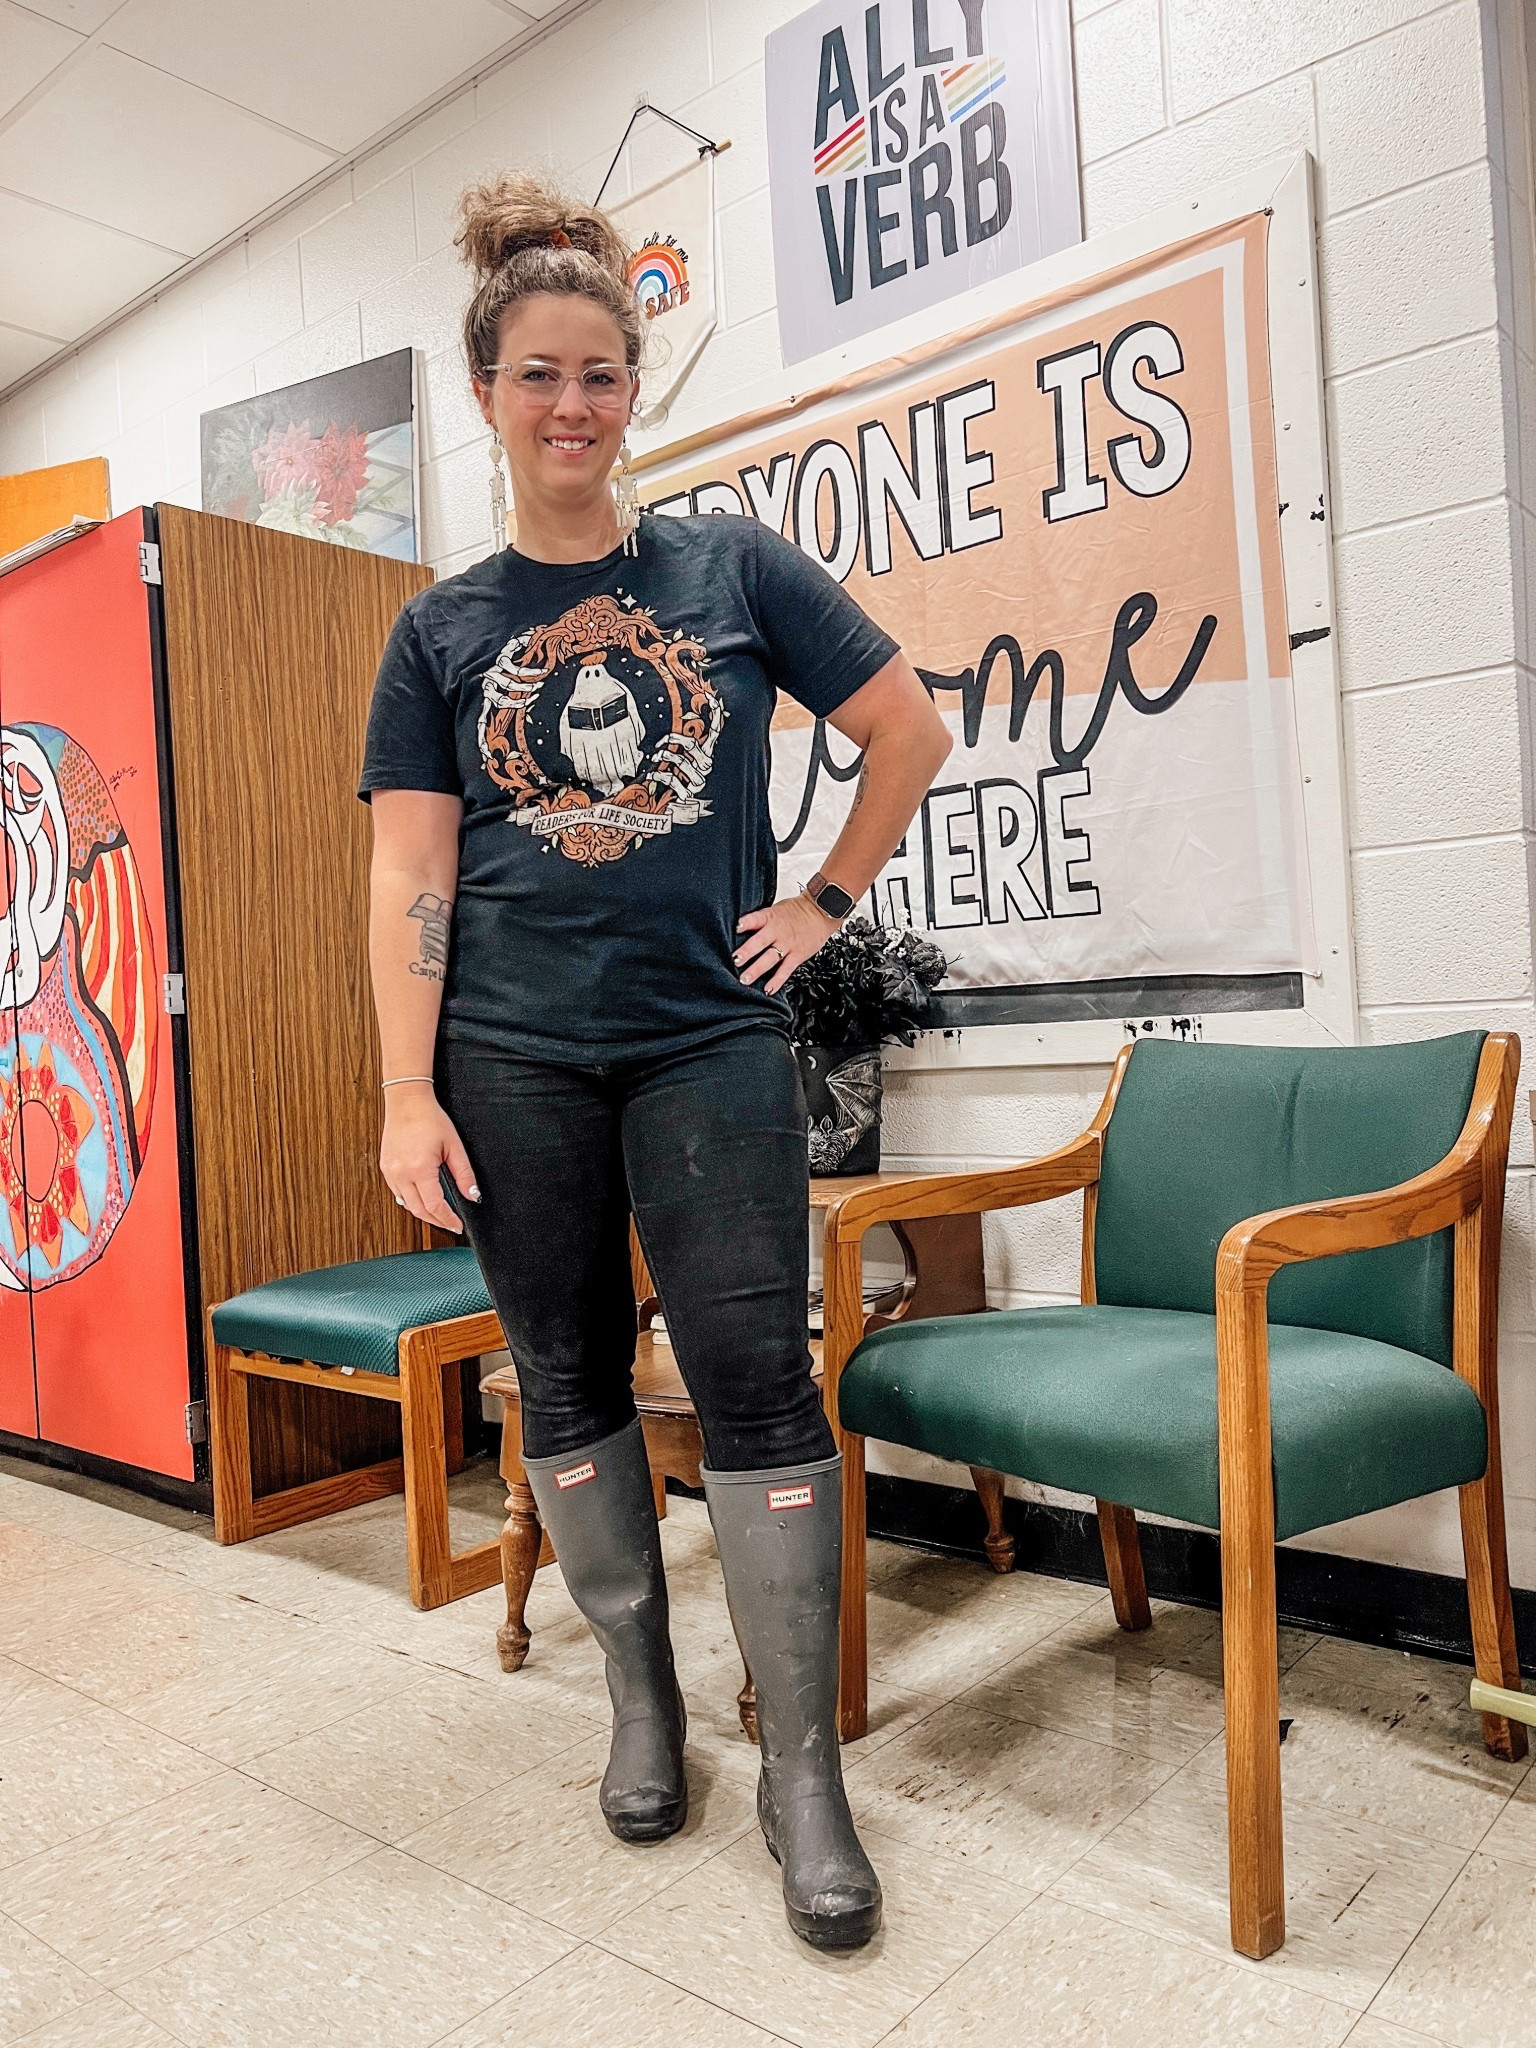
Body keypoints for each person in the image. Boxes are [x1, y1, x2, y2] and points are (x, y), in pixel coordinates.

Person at [358, 171, 951, 1952]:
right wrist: (405, 1088)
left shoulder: (729, 567)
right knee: (563, 1380)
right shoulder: (441, 632)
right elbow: (408, 869)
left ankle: (803, 1778)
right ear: (488, 394)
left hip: (705, 1044)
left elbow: (906, 726)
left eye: (601, 373)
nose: (571, 406)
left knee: (765, 1389)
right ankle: (642, 1698)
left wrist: (829, 898)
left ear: (633, 391)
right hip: (508, 1059)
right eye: (537, 376)